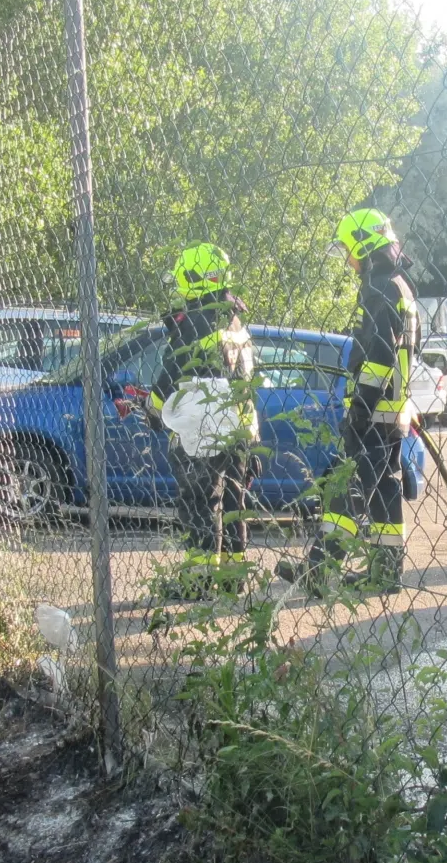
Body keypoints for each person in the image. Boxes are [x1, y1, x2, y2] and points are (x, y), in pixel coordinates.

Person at [277, 207, 419, 596]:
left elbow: (380, 357)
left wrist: (360, 409)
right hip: (394, 410)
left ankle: (318, 571)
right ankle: (386, 571)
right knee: (385, 489)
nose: (347, 260)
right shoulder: (401, 286)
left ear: (363, 245)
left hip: (373, 412)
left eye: (347, 250)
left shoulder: (380, 288)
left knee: (346, 487)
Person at [146, 243, 257, 599]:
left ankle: (197, 583)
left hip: (204, 430)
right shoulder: (234, 320)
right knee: (234, 503)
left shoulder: (194, 322)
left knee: (198, 503)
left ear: (192, 279)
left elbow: (170, 373)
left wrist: (152, 409)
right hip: (239, 426)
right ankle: (233, 580)